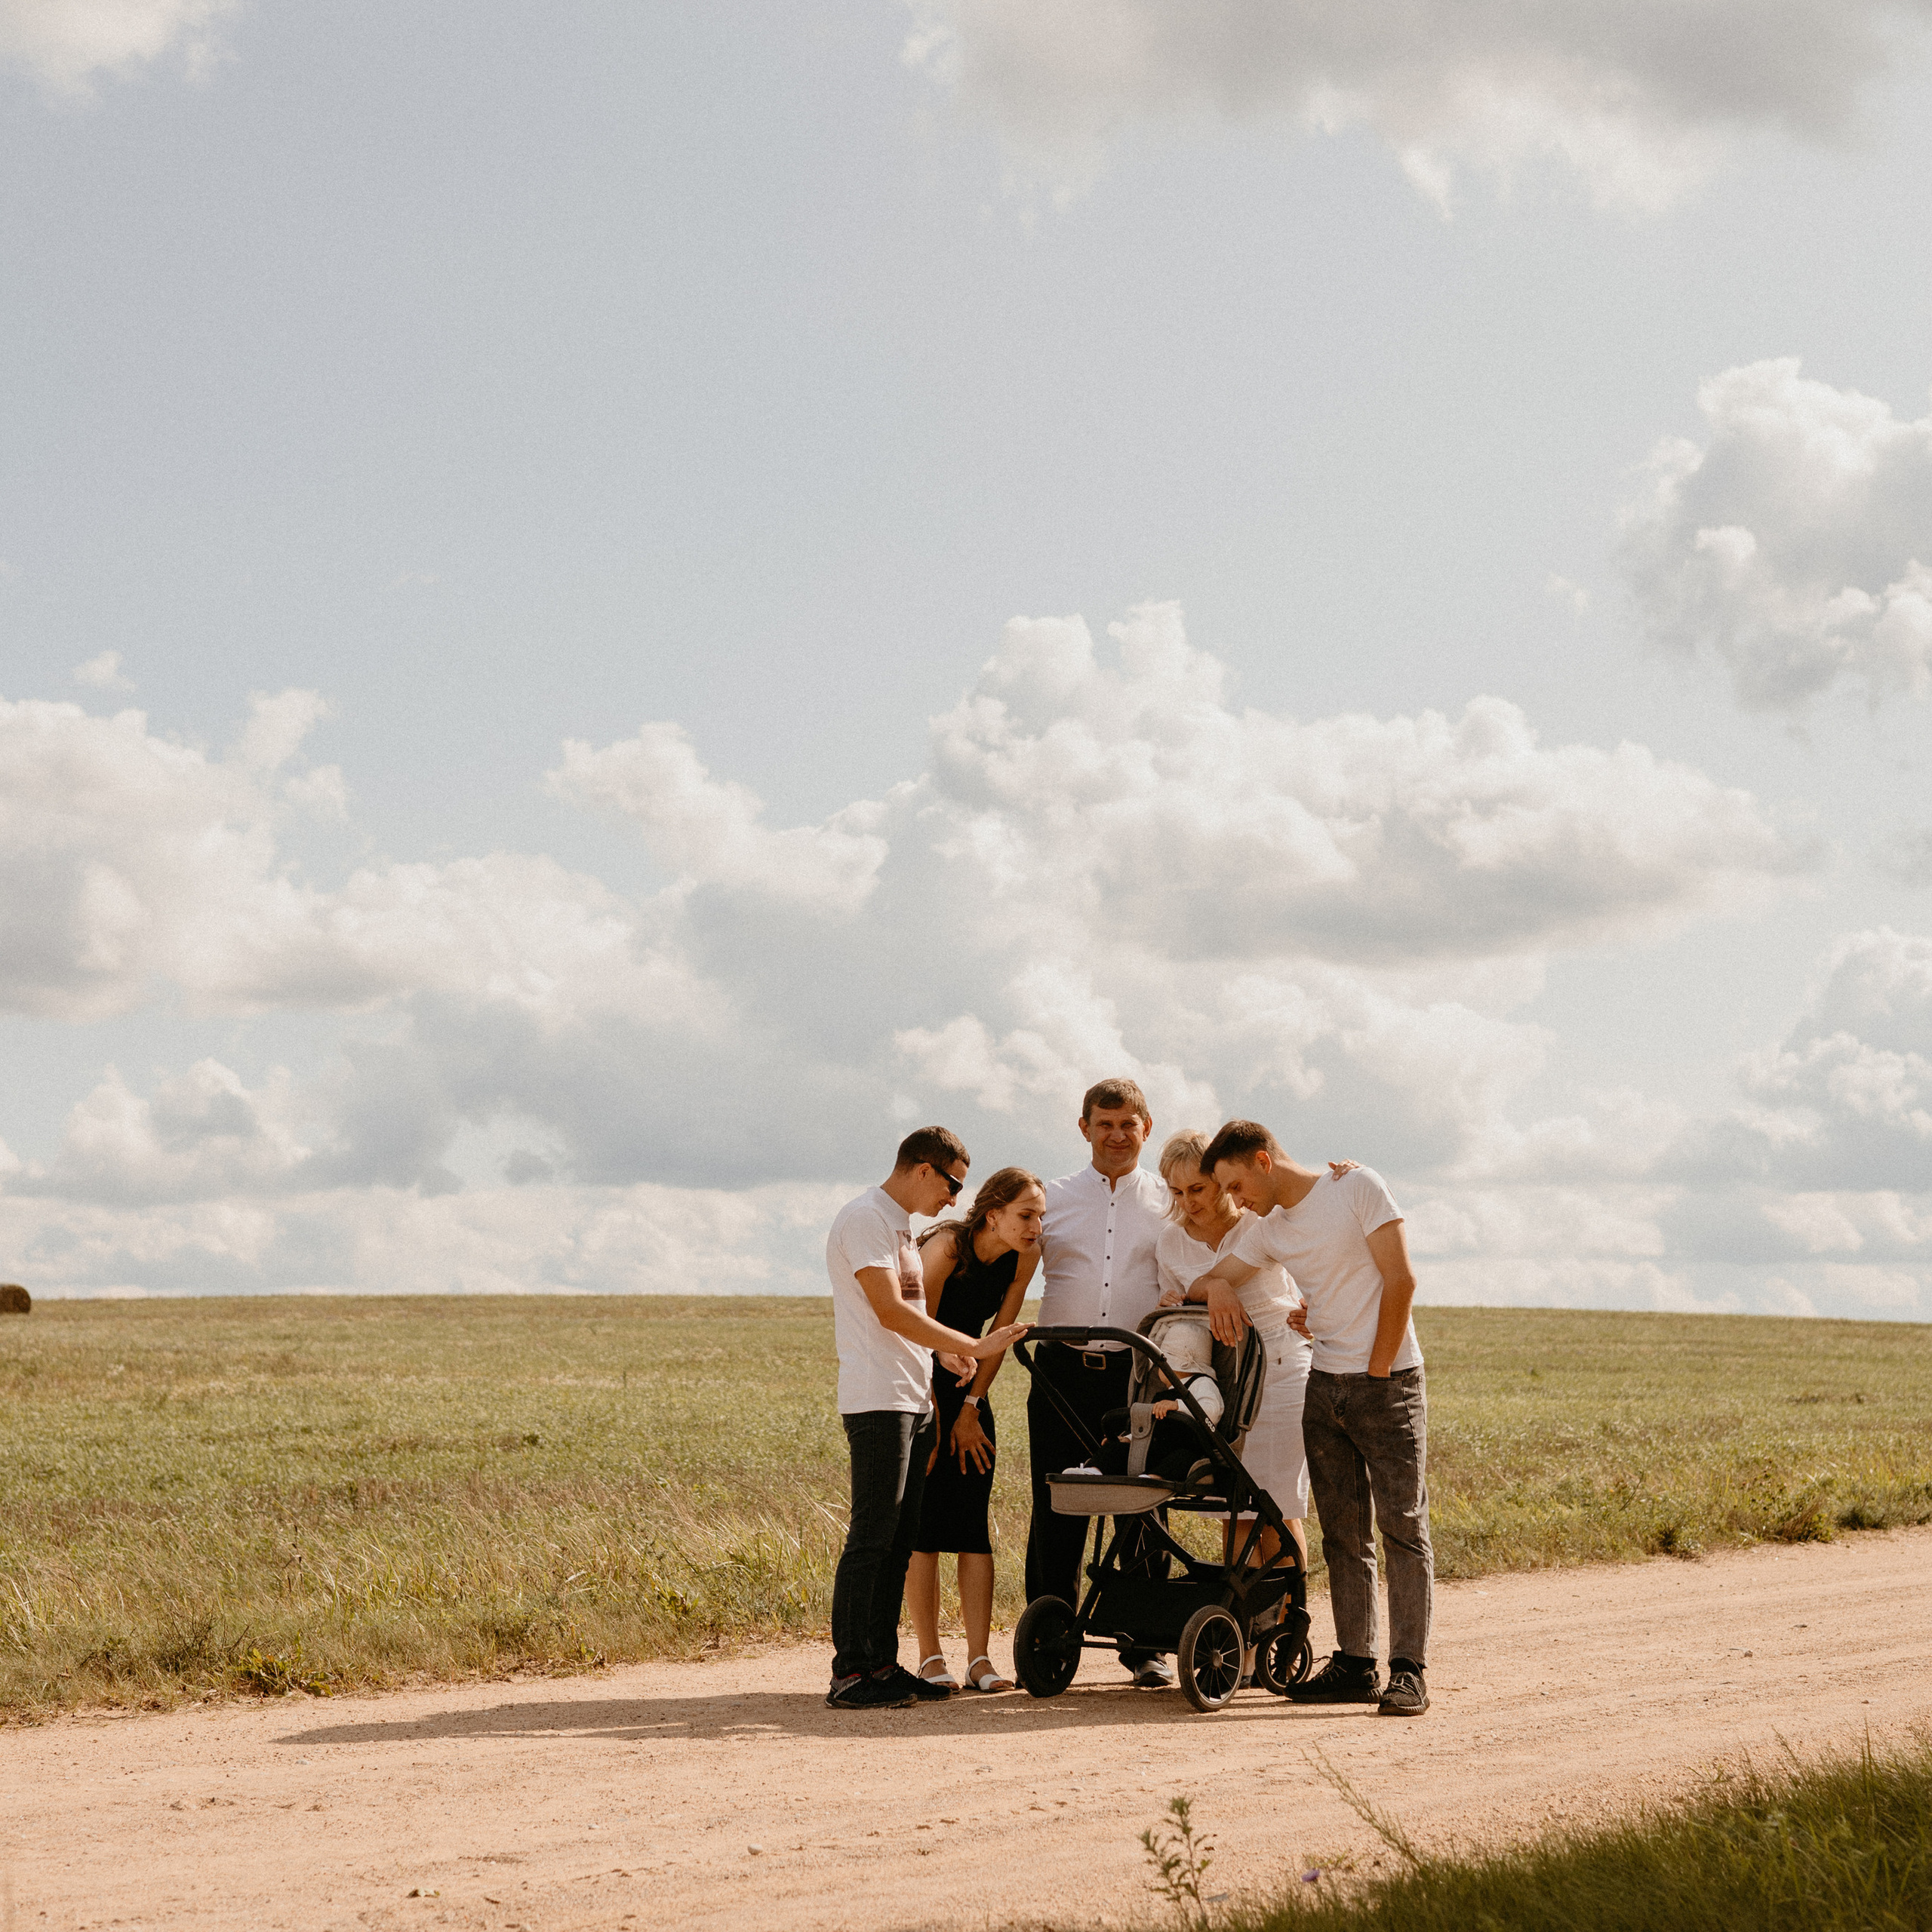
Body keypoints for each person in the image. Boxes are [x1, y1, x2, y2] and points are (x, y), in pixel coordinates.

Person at [1191, 1120, 1432, 1718]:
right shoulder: (1268, 1230)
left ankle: (1409, 1672)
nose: (1235, 1201)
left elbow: (1401, 1280)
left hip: (1389, 1382)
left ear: (1264, 1161)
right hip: (1322, 1388)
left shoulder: (1357, 1188)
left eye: (1237, 1185)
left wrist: (1376, 1372)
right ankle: (1356, 1663)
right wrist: (1220, 1290)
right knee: (1343, 1535)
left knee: (1402, 1527)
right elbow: (1210, 1277)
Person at [824, 1127, 1029, 1712]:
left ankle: (883, 1664)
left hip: (912, 1399)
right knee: (871, 1537)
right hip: (877, 1399)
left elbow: (910, 1315)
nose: (956, 1199)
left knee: (899, 1538)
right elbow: (888, 1312)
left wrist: (943, 1352)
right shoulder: (865, 1219)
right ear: (922, 1170)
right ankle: (850, 1671)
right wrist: (977, 1343)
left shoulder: (900, 1231)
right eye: (953, 1183)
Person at [1026, 1077, 1176, 1688]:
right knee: (1057, 1505)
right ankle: (1048, 1640)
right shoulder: (1050, 1198)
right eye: (1104, 1123)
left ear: (1147, 1127)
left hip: (1139, 1376)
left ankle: (1145, 1647)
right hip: (1062, 1372)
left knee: (1142, 1507)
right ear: (1083, 1127)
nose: (1117, 1135)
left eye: (1128, 1124)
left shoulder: (1170, 1201)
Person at [1153, 1129, 1317, 1583]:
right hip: (1220, 1384)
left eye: (1198, 1189)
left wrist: (1313, 1313)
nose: (1188, 1202)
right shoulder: (1170, 1242)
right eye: (1177, 1192)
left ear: (1221, 1180)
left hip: (1280, 1370)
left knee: (1276, 1507)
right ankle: (1244, 1636)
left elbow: (1311, 1276)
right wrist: (1175, 1303)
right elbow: (1178, 1311)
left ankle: (1285, 1635)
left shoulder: (1262, 1222)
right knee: (1232, 1509)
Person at [906, 1166, 1044, 1694]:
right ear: (994, 1214)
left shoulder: (1025, 1256)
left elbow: (999, 1337)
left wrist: (970, 1408)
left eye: (1040, 1217)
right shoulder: (943, 1248)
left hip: (967, 1389)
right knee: (922, 1527)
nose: (1035, 1227)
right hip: (917, 1384)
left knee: (970, 1524)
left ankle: (980, 1660)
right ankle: (929, 1657)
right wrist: (937, 1419)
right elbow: (912, 1330)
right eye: (1025, 1216)